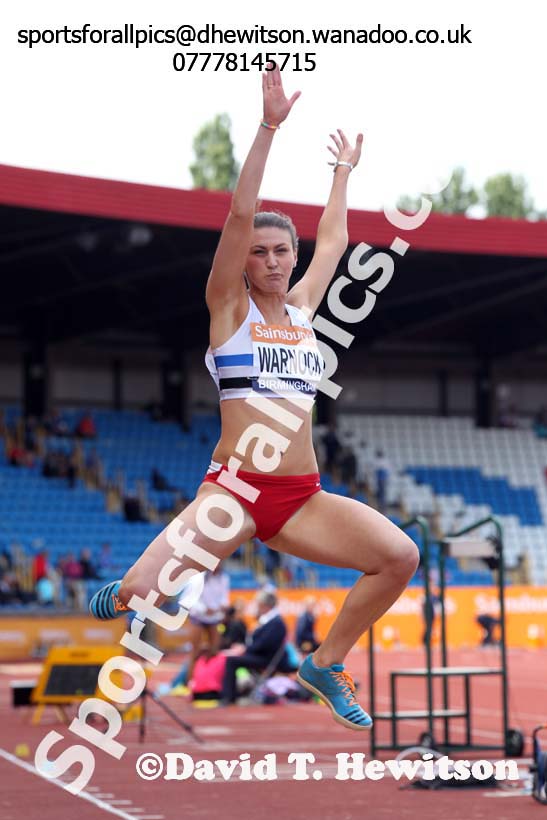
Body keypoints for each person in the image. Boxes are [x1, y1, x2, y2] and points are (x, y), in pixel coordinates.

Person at [90, 65, 419, 731]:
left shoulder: (302, 311)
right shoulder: (228, 310)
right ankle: (122, 593)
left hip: (300, 496)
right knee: (145, 592)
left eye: (281, 250)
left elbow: (334, 240)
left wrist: (341, 175)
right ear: (244, 260)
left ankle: (324, 663)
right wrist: (269, 127)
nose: (271, 259)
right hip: (231, 493)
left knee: (399, 557)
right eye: (261, 251)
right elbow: (240, 212)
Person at [220, 589, 292, 704]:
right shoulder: (268, 620)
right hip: (261, 655)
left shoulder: (276, 622)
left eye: (258, 604)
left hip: (268, 659)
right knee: (230, 658)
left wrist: (245, 649)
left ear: (265, 605)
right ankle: (230, 694)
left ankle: (228, 697)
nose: (257, 607)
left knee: (231, 661)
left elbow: (265, 644)